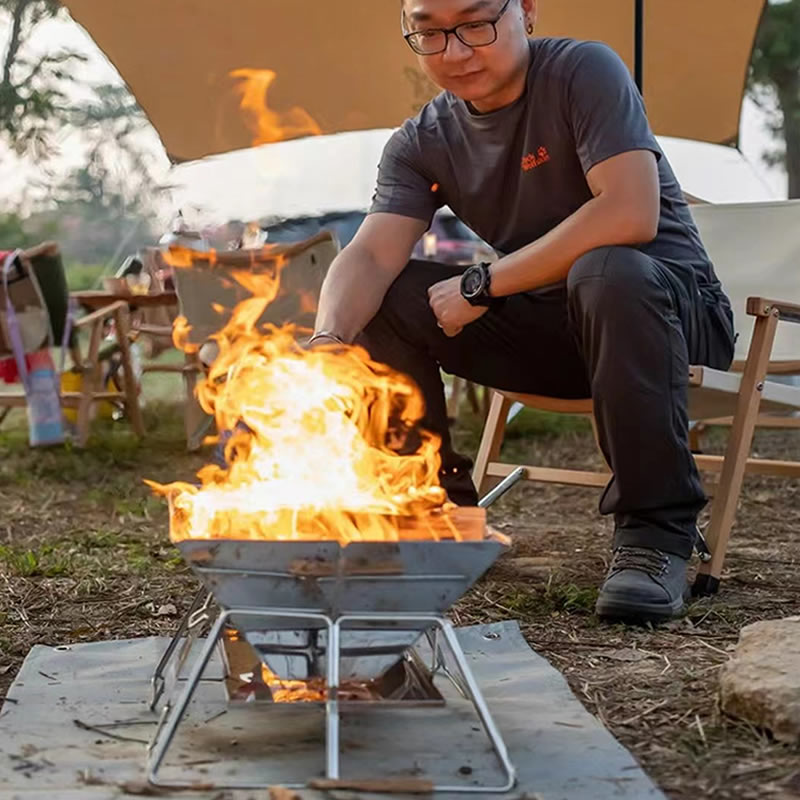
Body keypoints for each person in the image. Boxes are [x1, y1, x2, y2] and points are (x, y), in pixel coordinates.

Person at [310, 0, 736, 623]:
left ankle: (656, 535)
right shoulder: (422, 141)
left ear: (526, 12)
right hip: (559, 336)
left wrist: (483, 284)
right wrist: (326, 343)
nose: (455, 52)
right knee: (385, 297)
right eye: (429, 33)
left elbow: (629, 213)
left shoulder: (583, 71)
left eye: (477, 23)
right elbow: (372, 254)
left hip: (672, 316)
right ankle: (433, 511)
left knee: (607, 267)